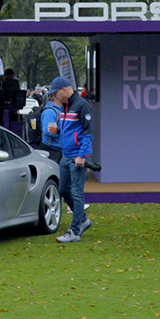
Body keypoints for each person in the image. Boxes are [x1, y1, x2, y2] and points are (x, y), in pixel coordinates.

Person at [51, 77, 94, 244]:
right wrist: (56, 131)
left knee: (76, 193)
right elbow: (67, 129)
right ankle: (82, 220)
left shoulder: (82, 105)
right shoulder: (66, 106)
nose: (55, 97)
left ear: (63, 90)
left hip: (76, 157)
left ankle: (75, 231)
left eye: (55, 93)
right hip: (66, 155)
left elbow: (88, 133)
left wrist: (82, 156)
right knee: (63, 191)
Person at [37, 90, 63, 163]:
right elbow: (49, 131)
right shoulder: (50, 112)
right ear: (55, 97)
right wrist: (63, 130)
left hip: (58, 150)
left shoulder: (59, 111)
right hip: (51, 150)